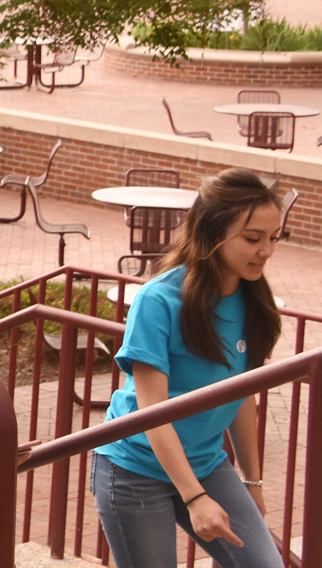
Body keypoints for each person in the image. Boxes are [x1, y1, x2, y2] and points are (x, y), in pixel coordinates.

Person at [92, 168, 285, 568]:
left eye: (273, 238)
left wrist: (251, 480)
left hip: (206, 461)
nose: (266, 250)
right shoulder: (158, 301)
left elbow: (240, 393)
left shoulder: (254, 301)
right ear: (213, 233)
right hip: (134, 467)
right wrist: (194, 496)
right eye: (253, 239)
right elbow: (153, 412)